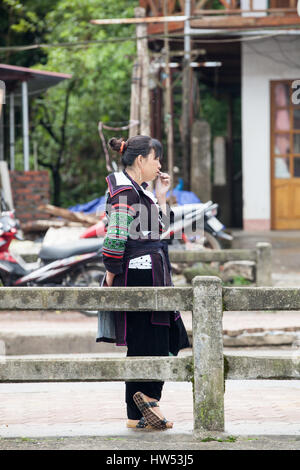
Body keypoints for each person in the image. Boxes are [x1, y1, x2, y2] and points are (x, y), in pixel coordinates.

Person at [99, 135, 190, 430]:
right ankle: (148, 403)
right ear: (141, 160)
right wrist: (112, 275)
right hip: (138, 273)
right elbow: (115, 236)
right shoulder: (125, 192)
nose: (160, 165)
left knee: (156, 338)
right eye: (156, 159)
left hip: (153, 269)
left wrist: (162, 195)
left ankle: (137, 413)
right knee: (151, 338)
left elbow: (159, 230)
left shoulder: (141, 191)